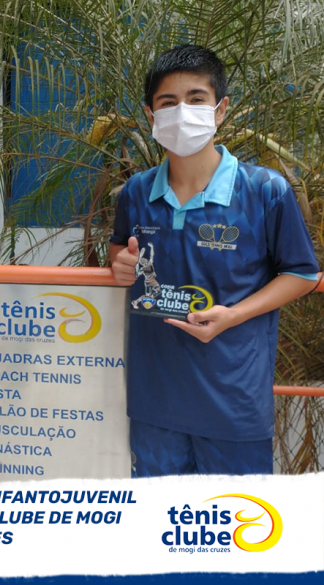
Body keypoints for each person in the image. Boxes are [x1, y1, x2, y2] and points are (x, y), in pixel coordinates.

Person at [110, 45, 320, 477]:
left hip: (233, 402)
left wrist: (234, 315)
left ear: (220, 109)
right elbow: (120, 251)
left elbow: (302, 274)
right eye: (168, 102)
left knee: (235, 516)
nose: (182, 112)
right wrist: (120, 264)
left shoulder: (264, 190)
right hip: (155, 402)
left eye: (196, 99)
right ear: (151, 115)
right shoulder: (136, 191)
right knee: (159, 516)